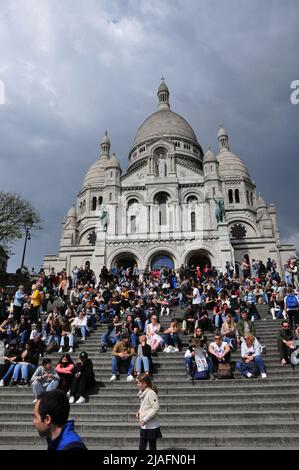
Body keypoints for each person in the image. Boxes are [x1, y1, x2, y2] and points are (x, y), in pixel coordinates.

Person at [136, 374, 162, 451]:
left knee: (152, 447)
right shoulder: (143, 393)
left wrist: (145, 419)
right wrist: (139, 412)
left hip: (151, 426)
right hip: (144, 425)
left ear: (145, 383)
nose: (138, 385)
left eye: (139, 383)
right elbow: (144, 406)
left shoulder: (151, 393)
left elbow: (155, 408)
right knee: (142, 446)